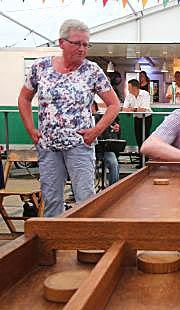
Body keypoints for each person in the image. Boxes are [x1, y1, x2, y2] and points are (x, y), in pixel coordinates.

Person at [17, 19, 121, 217]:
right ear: (61, 42)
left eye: (85, 44)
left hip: (79, 145)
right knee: (51, 197)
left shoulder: (92, 71)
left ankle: (86, 245)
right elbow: (24, 98)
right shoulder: (40, 68)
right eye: (77, 43)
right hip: (48, 146)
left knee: (85, 198)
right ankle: (54, 244)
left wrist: (96, 131)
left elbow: (114, 105)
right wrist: (30, 129)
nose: (82, 49)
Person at [122, 79, 152, 167]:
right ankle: (141, 161)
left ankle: (147, 160)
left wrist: (132, 109)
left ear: (135, 87)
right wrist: (135, 109)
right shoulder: (129, 96)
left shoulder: (145, 94)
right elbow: (124, 109)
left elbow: (143, 109)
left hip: (146, 117)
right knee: (138, 139)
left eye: (129, 87)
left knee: (145, 138)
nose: (128, 89)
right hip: (137, 118)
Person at [93, 101, 121, 186]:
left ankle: (114, 188)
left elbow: (117, 137)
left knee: (113, 163)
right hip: (86, 149)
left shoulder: (113, 118)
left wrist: (116, 130)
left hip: (105, 149)